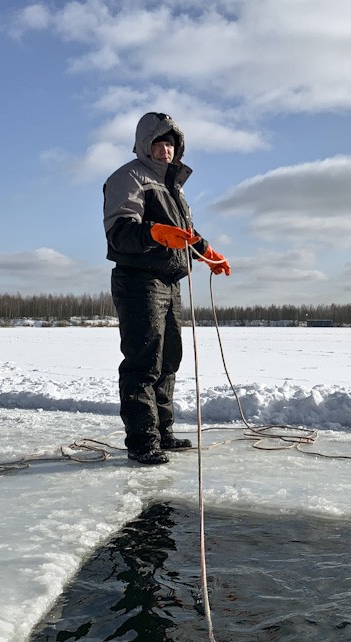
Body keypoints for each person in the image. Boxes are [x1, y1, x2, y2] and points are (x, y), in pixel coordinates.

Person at [103, 112, 230, 465]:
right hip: (139, 280)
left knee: (169, 360)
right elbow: (119, 234)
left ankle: (163, 432)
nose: (166, 151)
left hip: (170, 282)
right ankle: (143, 441)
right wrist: (152, 233)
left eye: (171, 145)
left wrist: (207, 253)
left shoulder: (173, 187)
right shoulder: (127, 178)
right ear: (145, 146)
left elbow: (185, 234)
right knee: (143, 362)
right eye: (159, 144)